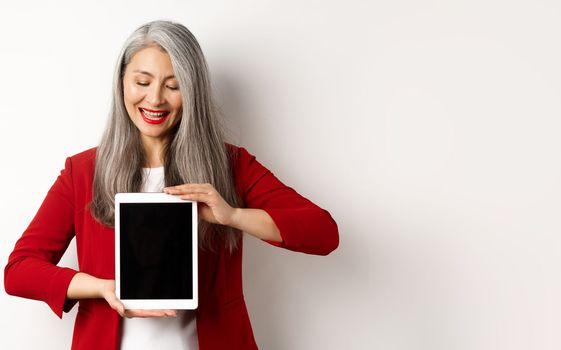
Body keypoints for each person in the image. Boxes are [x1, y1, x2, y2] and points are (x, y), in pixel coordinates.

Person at [3, 20, 339, 350]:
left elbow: (323, 232)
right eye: (142, 82)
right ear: (122, 82)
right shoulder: (84, 171)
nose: (155, 99)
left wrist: (232, 215)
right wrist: (103, 288)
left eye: (173, 86)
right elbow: (18, 271)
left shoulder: (230, 165)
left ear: (192, 91)